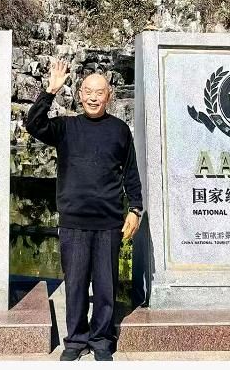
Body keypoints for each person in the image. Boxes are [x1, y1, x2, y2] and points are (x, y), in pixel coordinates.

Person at [26, 60, 143, 362]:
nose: (93, 97)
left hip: (108, 222)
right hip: (74, 221)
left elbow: (131, 173)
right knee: (75, 284)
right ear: (79, 95)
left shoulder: (120, 130)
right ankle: (76, 340)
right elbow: (33, 125)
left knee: (106, 286)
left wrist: (135, 209)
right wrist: (50, 91)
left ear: (109, 96)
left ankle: (102, 339)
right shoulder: (66, 127)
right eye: (88, 92)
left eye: (99, 92)